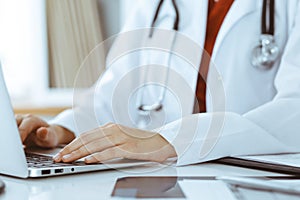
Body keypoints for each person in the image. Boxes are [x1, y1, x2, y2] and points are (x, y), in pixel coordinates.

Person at [16, 0, 300, 166]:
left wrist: (170, 139)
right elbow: (114, 96)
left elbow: (294, 111)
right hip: (162, 180)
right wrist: (61, 131)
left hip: (254, 181)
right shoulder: (156, 3)